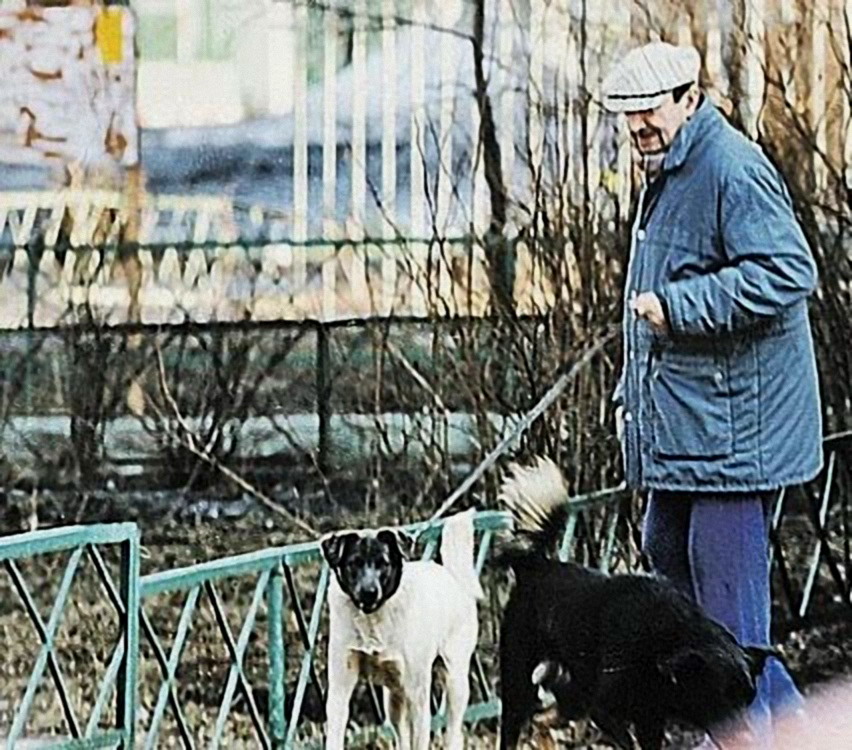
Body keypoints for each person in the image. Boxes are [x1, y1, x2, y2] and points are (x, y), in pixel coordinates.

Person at [602, 41, 823, 747]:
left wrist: (683, 306)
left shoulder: (731, 168)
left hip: (735, 434)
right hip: (691, 426)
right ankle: (789, 721)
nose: (639, 124)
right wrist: (630, 397)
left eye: (651, 109)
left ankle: (745, 735)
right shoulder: (670, 169)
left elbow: (788, 272)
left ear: (690, 99)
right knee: (666, 550)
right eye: (629, 112)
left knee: (725, 608)